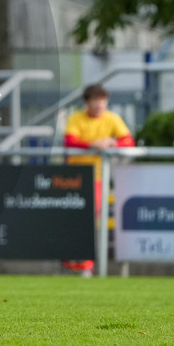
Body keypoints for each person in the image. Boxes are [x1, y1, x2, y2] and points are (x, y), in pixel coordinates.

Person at [63, 83, 136, 276]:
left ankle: (85, 264)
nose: (99, 106)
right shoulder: (76, 118)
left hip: (96, 178)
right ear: (86, 103)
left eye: (102, 101)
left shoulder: (112, 118)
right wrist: (92, 145)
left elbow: (128, 140)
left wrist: (112, 142)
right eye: (95, 101)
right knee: (71, 220)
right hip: (73, 178)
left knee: (87, 220)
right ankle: (72, 262)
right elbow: (69, 141)